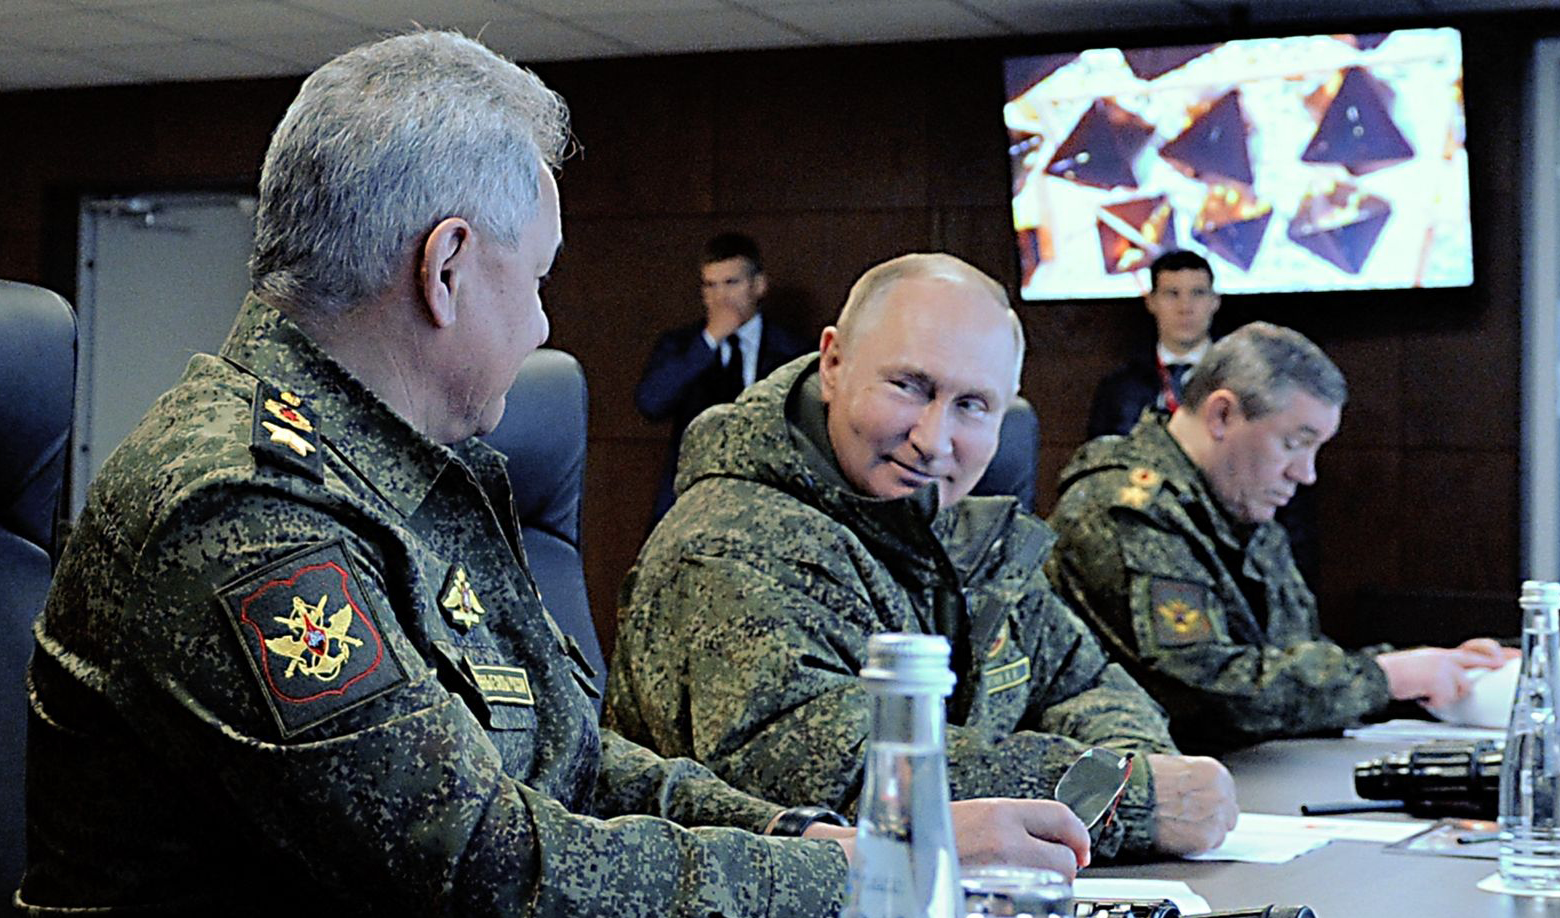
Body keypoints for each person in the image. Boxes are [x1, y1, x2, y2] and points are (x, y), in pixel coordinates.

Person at [13, 35, 1088, 918]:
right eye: (536, 281)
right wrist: (870, 884)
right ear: (445, 268)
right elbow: (492, 882)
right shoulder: (240, 507)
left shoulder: (418, 472)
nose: (540, 326)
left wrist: (820, 846)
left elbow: (575, 760)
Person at [605, 253, 1238, 861]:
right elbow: (841, 780)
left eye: (972, 406)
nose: (933, 442)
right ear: (832, 363)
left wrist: (1132, 770)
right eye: (909, 387)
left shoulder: (949, 525)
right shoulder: (728, 545)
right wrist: (1126, 795)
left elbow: (1087, 682)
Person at [1049, 321, 1510, 752]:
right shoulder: (1123, 507)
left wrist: (1430, 674)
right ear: (1222, 415)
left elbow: (1287, 661)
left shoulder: (1236, 500)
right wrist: (1383, 679)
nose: (1305, 473)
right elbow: (1203, 690)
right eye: (1293, 443)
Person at [634, 232, 811, 520]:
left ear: (759, 285)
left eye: (731, 283)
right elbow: (651, 402)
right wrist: (709, 340)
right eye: (710, 285)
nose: (720, 297)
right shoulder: (683, 346)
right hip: (694, 498)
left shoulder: (794, 350)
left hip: (769, 498)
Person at [1085, 250, 1219, 441]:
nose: (1185, 307)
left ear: (1215, 301)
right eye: (1172, 294)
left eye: (1197, 293)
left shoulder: (1238, 379)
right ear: (1151, 302)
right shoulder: (1120, 387)